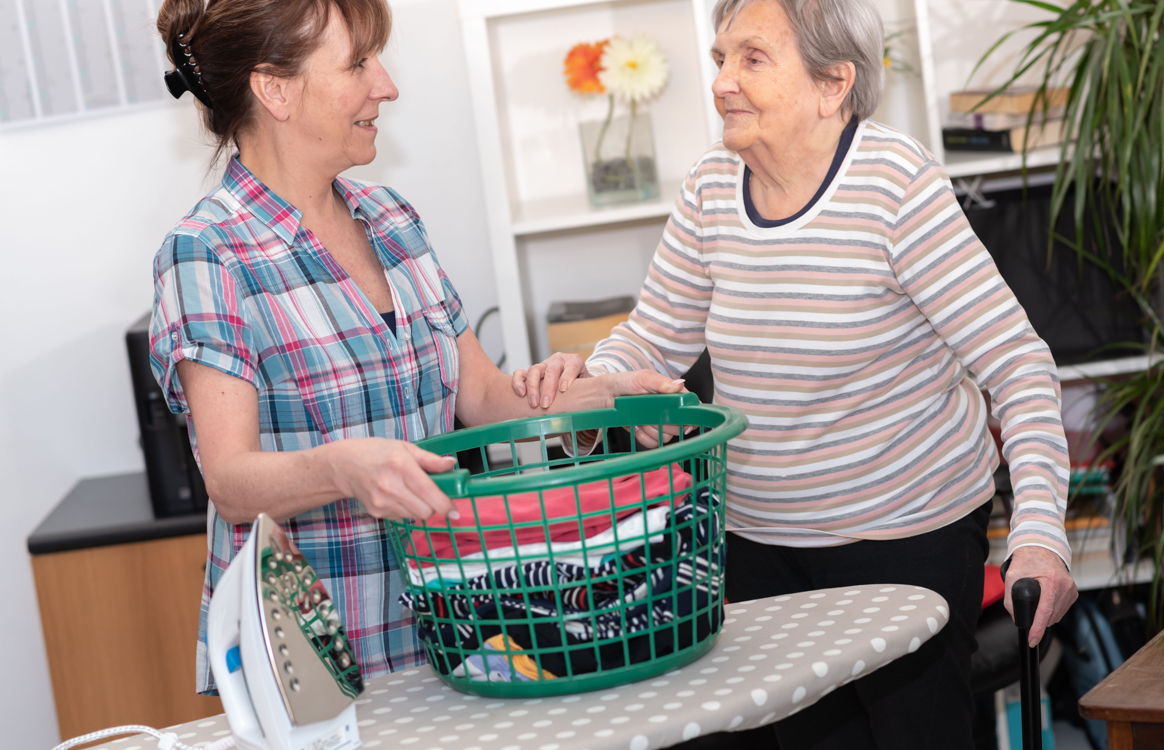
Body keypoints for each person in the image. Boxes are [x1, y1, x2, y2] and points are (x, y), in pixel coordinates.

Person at [512, 0, 1078, 746]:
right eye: (721, 58)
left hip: (905, 538)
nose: (720, 82)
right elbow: (653, 338)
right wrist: (592, 380)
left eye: (751, 58)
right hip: (757, 541)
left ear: (832, 83)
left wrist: (1040, 531)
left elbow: (1018, 363)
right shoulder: (713, 186)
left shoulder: (895, 187)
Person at [149, 0, 685, 695]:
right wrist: (344, 469)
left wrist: (602, 399)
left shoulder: (392, 219)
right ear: (274, 88)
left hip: (451, 633)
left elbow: (487, 398)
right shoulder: (207, 253)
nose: (387, 85)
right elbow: (230, 481)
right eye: (357, 64)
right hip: (315, 662)